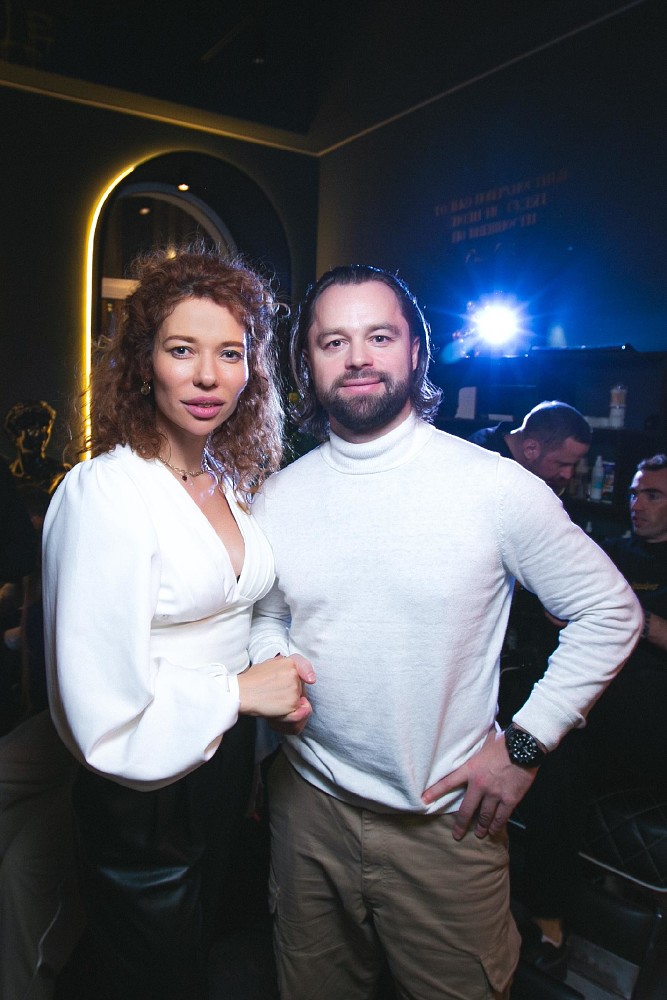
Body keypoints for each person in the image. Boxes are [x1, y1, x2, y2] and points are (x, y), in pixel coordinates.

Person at [248, 264, 642, 1000]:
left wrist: (523, 746)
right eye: (333, 341)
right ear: (307, 361)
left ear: (415, 351)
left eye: (379, 336)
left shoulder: (492, 486)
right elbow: (268, 613)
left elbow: (610, 612)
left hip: (444, 826)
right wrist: (274, 663)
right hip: (307, 811)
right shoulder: (277, 497)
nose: (357, 357)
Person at [42, 243, 315, 1000]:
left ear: (251, 372)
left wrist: (271, 675)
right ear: (144, 363)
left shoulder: (228, 482)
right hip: (143, 790)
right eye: (182, 349)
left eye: (230, 353)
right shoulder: (106, 492)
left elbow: (241, 609)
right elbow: (96, 712)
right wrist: (239, 692)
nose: (208, 376)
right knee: (152, 979)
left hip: (222, 766)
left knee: (200, 958)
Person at [519, 454, 667, 964]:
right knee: (553, 753)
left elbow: (623, 619)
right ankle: (544, 913)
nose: (637, 504)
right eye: (634, 493)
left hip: (653, 714)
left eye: (652, 495)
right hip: (599, 710)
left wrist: (629, 617)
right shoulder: (612, 552)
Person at [468, 400, 591, 495]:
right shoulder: (482, 465)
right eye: (561, 464)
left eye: (574, 465)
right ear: (530, 449)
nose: (568, 475)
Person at [4, 399, 71, 495]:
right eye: (32, 429)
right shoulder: (8, 475)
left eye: (44, 428)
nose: (40, 435)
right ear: (16, 433)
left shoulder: (60, 471)